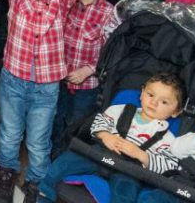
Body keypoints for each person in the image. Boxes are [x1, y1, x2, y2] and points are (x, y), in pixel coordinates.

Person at [0, 0, 108, 203]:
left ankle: (34, 185)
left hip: (46, 87)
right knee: (9, 135)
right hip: (13, 81)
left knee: (38, 142)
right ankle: (5, 176)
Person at [39, 72, 185, 202]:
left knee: (125, 194)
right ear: (141, 93)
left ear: (176, 112)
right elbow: (98, 121)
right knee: (63, 163)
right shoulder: (121, 110)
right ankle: (44, 194)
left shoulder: (168, 138)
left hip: (129, 171)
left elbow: (170, 166)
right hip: (98, 155)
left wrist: (141, 155)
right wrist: (105, 135)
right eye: (150, 95)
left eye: (164, 102)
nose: (154, 102)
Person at [50, 0, 119, 158]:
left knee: (76, 124)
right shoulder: (65, 2)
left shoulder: (109, 13)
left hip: (87, 85)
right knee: (55, 118)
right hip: (60, 78)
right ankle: (51, 156)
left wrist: (88, 70)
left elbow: (111, 52)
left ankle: (65, 160)